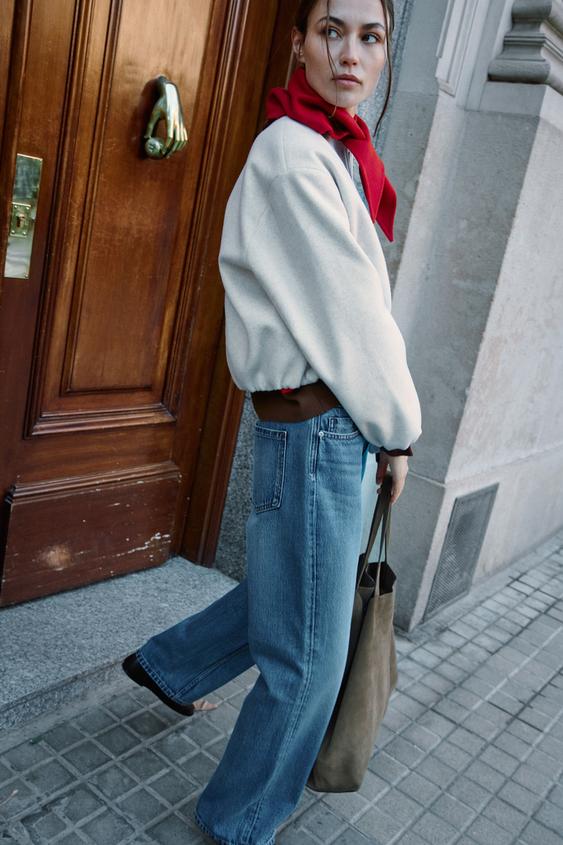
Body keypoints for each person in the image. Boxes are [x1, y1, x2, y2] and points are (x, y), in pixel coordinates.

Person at [122, 1, 421, 842]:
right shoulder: (295, 154)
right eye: (332, 31)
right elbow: (356, 319)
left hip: (328, 423)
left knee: (298, 595)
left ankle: (169, 663)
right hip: (325, 425)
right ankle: (238, 821)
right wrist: (397, 430)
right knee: (310, 659)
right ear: (296, 42)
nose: (351, 54)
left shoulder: (328, 149)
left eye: (371, 37)